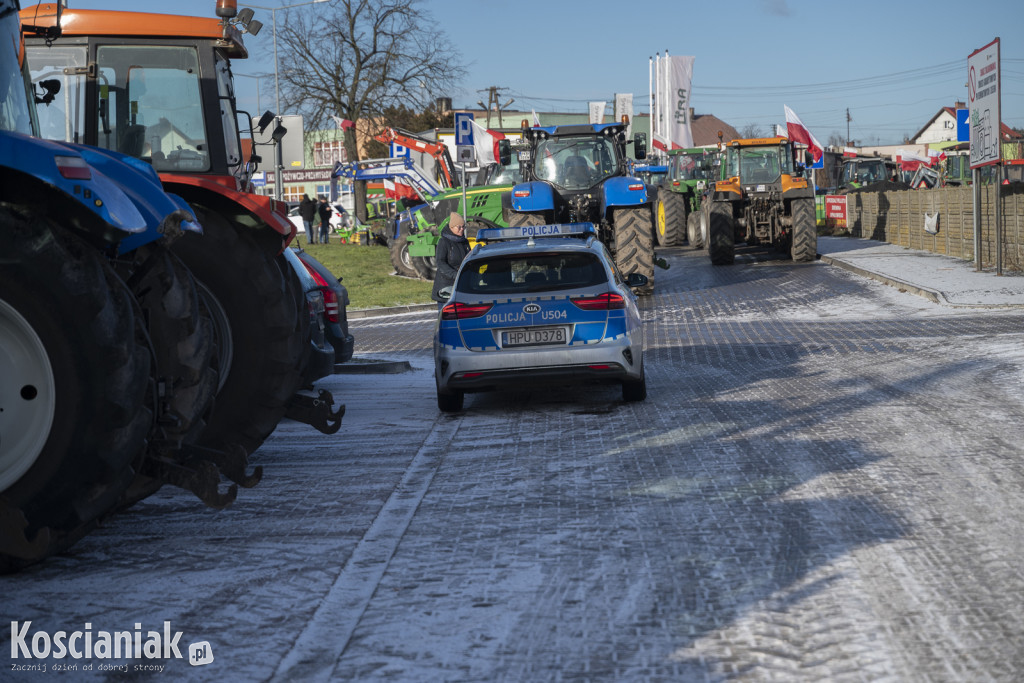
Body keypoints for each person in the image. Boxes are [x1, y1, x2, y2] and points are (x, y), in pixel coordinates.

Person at [431, 212, 470, 310]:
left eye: (463, 227)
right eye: (459, 227)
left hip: (461, 285)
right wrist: (455, 275)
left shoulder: (464, 242)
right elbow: (440, 262)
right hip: (446, 287)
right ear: (451, 227)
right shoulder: (444, 242)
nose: (462, 229)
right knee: (446, 315)